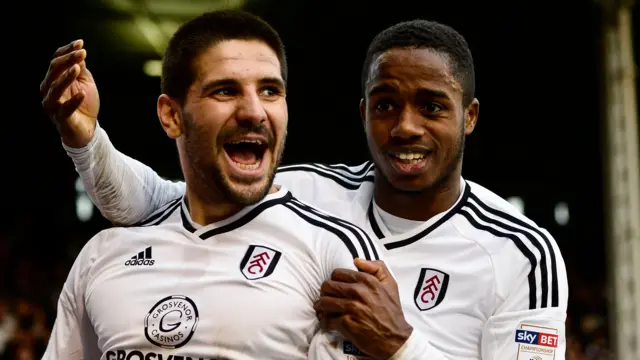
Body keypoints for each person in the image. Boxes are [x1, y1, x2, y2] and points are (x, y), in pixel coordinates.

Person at [41, 17, 569, 360]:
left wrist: (400, 346)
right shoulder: (306, 194)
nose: (405, 127)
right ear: (363, 114)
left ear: (469, 116)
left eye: (432, 106)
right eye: (385, 104)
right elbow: (157, 205)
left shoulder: (522, 253)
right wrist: (85, 140)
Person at [40, 10, 388, 359]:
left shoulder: (334, 252)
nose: (254, 111)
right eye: (225, 91)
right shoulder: (104, 254)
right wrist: (83, 138)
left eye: (270, 90)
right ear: (172, 116)